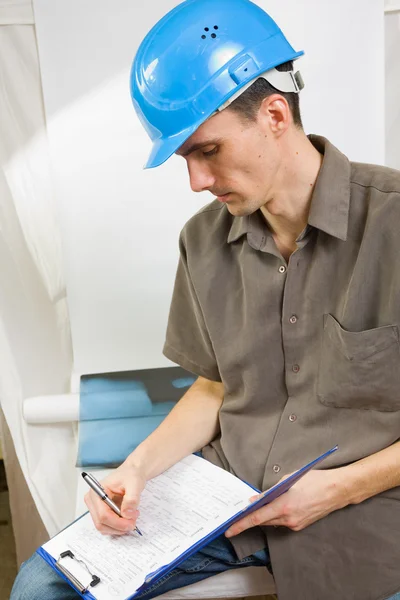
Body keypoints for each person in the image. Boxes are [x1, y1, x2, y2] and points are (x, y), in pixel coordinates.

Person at [11, 0, 400, 599]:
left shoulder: (394, 222)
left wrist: (339, 488)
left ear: (274, 113)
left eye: (206, 150)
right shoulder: (203, 241)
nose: (195, 180)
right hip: (230, 492)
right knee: (42, 588)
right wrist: (135, 470)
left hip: (369, 505)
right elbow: (217, 387)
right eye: (184, 157)